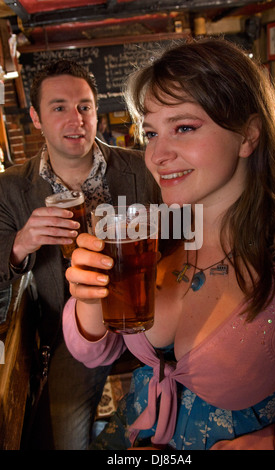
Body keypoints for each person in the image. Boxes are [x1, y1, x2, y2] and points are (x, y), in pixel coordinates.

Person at [62, 38, 275, 450]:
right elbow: (94, 353)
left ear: (248, 135)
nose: (157, 155)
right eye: (150, 132)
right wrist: (88, 297)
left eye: (184, 127)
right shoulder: (154, 232)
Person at [0, 59, 161, 450]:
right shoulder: (10, 189)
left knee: (170, 435)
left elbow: (184, 234)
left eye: (85, 107)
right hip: (69, 337)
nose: (77, 119)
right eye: (59, 108)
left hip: (153, 325)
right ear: (36, 117)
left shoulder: (145, 167)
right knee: (65, 442)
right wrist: (21, 243)